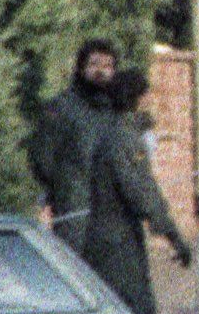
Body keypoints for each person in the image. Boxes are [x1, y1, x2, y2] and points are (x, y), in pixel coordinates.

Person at [58, 53, 193, 314]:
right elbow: (142, 193)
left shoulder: (113, 131)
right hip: (116, 241)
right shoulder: (123, 140)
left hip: (106, 235)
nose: (150, 101)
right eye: (146, 95)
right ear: (136, 98)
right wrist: (173, 236)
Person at [26, 39, 127, 235]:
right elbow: (42, 158)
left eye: (107, 66)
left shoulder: (117, 112)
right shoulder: (61, 108)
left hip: (112, 218)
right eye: (94, 64)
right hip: (74, 212)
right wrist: (65, 187)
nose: (101, 71)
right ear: (81, 68)